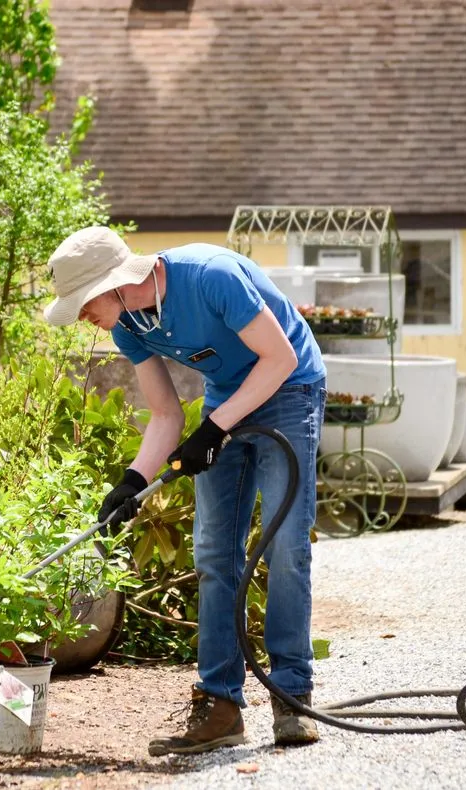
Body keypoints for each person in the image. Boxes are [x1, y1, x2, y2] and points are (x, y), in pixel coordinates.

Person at [43, 226, 326, 755]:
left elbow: (280, 359)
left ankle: (292, 697)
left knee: (286, 546)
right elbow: (167, 414)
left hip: (289, 389)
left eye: (82, 303)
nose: (81, 316)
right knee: (216, 553)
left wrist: (215, 429)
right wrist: (132, 481)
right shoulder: (129, 325)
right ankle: (220, 706)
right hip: (229, 401)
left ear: (114, 282)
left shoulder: (210, 277)